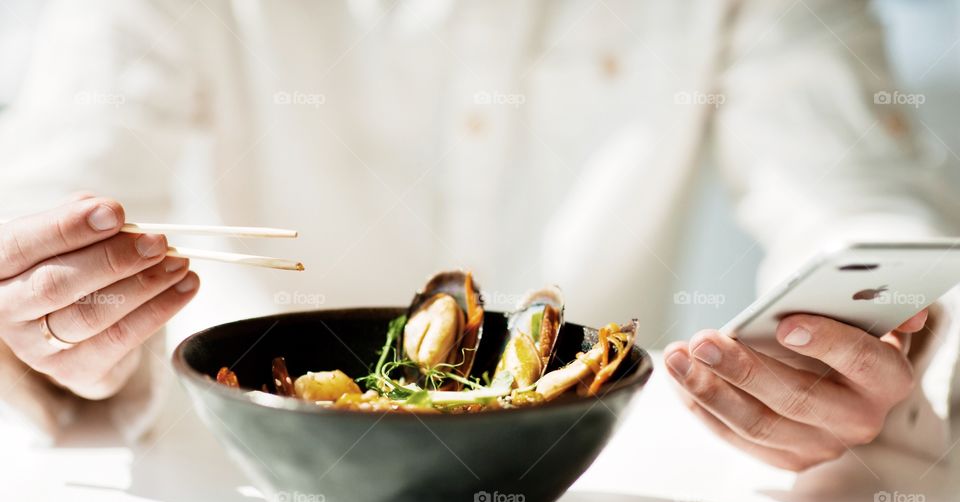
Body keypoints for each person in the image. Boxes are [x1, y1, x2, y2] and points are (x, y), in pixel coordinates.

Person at [0, 0, 956, 468]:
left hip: (600, 494)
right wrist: (60, 326)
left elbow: (860, 205)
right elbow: (54, 200)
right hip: (237, 480)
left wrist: (872, 360)